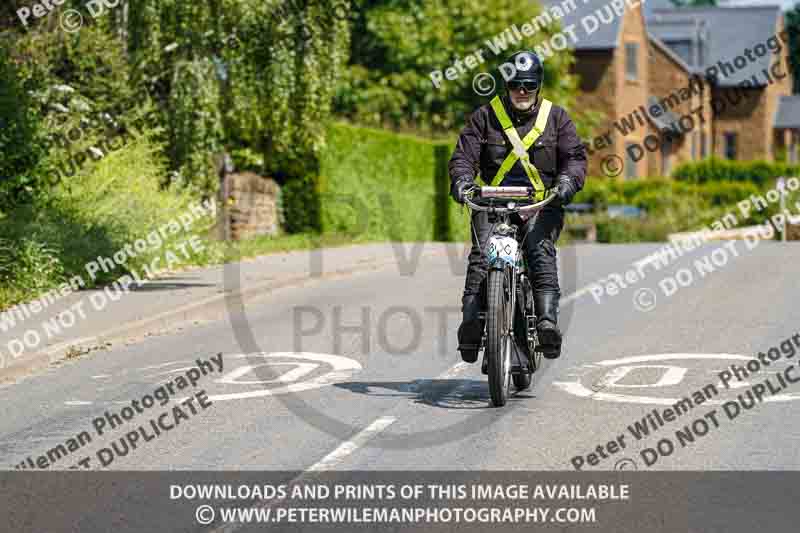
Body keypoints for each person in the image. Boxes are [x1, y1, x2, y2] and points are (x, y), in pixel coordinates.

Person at [449, 50, 587, 363]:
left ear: (538, 85)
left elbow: (575, 158)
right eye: (515, 86)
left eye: (527, 86)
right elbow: (463, 156)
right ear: (506, 86)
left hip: (541, 204)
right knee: (482, 256)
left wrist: (567, 182)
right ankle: (471, 323)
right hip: (492, 203)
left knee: (539, 251)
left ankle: (547, 323)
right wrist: (461, 181)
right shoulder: (485, 116)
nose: (521, 92)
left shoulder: (557, 118)